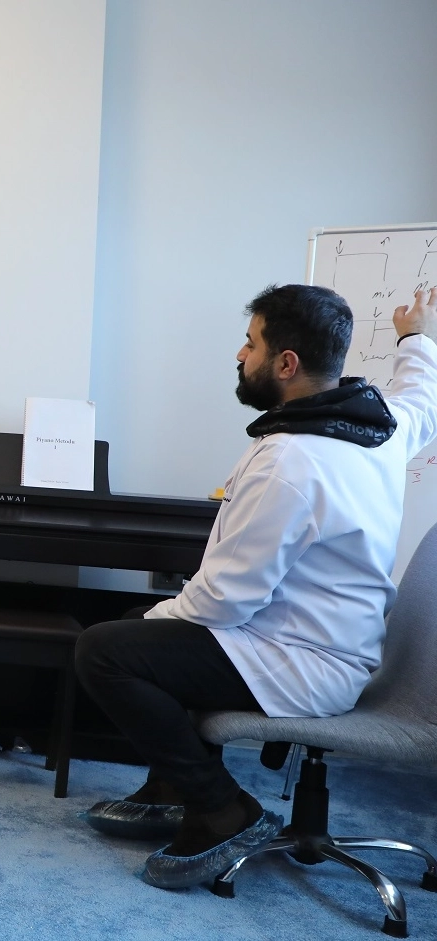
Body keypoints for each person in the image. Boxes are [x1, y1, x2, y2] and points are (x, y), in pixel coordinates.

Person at [74, 285, 437, 889]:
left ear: (286, 364)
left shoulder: (291, 461)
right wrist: (415, 339)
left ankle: (221, 810)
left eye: (250, 344)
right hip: (329, 646)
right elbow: (421, 399)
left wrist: (155, 619)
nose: (239, 356)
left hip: (303, 662)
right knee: (141, 628)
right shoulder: (379, 426)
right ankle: (171, 787)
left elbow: (223, 601)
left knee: (105, 650)